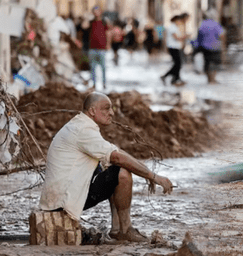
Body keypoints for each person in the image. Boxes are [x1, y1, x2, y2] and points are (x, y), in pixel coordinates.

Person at [39, 92, 174, 242]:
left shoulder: (80, 125)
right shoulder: (83, 130)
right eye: (106, 108)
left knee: (111, 166)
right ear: (92, 111)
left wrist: (148, 173)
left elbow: (117, 153)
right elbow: (117, 157)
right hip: (63, 201)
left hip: (59, 198)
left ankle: (116, 229)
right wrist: (154, 177)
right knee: (121, 171)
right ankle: (124, 229)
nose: (112, 113)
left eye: (111, 108)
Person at [192, 9, 225, 84]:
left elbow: (199, 36)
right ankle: (213, 79)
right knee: (215, 63)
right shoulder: (216, 24)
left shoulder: (202, 24)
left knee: (207, 62)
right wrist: (222, 45)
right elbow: (222, 35)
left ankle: (209, 79)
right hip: (215, 47)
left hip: (205, 47)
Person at [160, 15, 189, 86]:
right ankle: (166, 76)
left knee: (178, 64)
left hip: (176, 47)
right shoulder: (172, 27)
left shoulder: (176, 27)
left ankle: (175, 79)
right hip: (173, 47)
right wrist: (185, 37)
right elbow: (176, 37)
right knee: (177, 64)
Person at [89, 6, 110, 89]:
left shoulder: (104, 22)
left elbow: (108, 34)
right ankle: (94, 84)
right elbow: (84, 27)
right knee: (93, 68)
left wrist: (108, 44)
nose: (95, 12)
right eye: (94, 11)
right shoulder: (91, 22)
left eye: (97, 11)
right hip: (92, 48)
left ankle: (104, 83)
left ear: (100, 12)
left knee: (103, 68)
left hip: (102, 48)